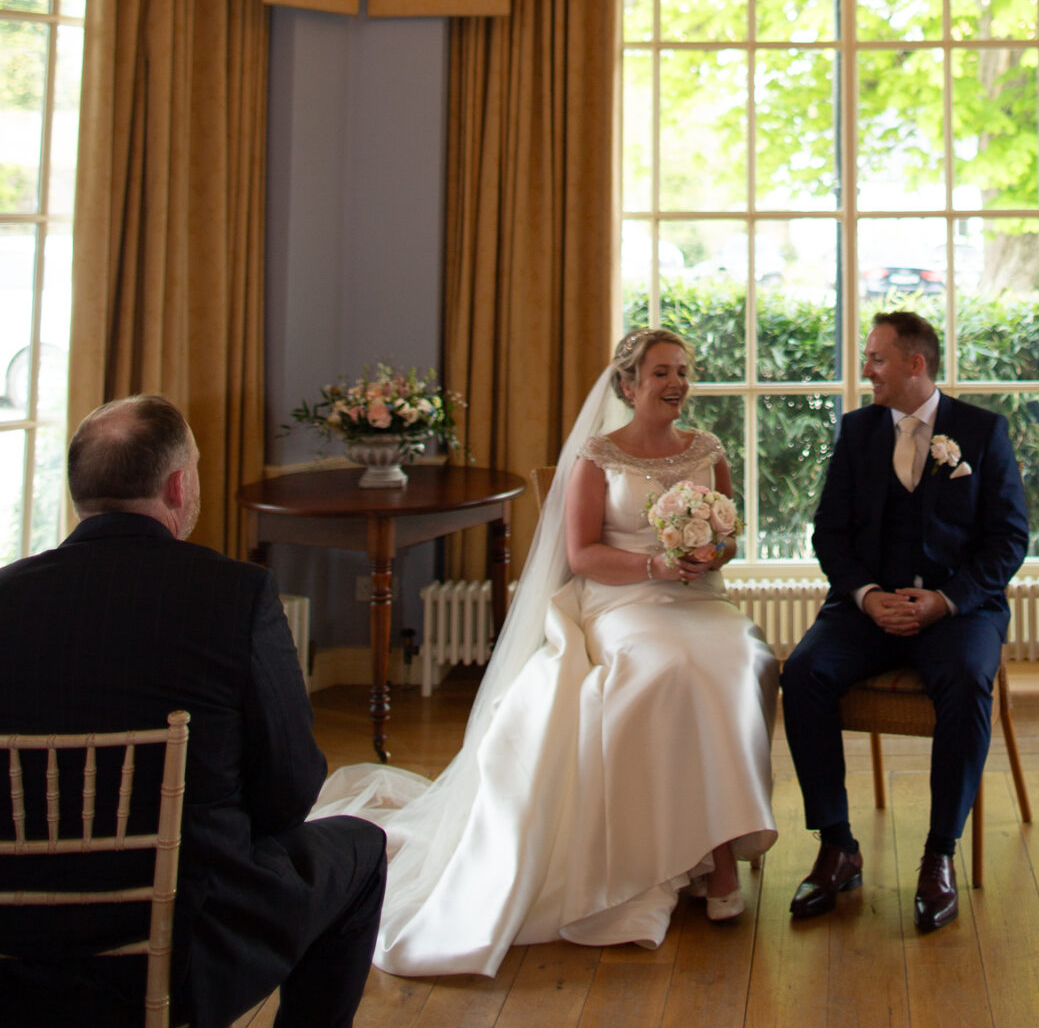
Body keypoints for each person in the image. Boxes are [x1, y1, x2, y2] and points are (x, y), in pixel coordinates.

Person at [0, 396, 386, 1028]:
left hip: (12, 962)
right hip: (181, 956)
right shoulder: (234, 596)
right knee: (358, 849)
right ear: (179, 487)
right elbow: (291, 791)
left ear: (79, 494)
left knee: (54, 861)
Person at [317, 328, 777, 963]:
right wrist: (654, 569)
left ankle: (714, 842)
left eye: (683, 372)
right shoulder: (597, 456)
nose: (676, 384)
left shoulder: (707, 449)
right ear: (627, 386)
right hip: (624, 600)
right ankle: (700, 859)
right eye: (661, 373)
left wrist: (708, 550)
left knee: (741, 657)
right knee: (670, 666)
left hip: (698, 599)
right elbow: (582, 554)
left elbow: (728, 538)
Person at [780, 310, 1030, 934]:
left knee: (969, 681)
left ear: (915, 364)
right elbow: (828, 534)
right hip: (867, 609)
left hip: (955, 611)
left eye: (877, 359)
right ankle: (838, 845)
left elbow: (1009, 541)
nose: (867, 371)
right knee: (803, 674)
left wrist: (946, 601)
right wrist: (865, 595)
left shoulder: (982, 431)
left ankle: (939, 854)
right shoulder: (858, 431)